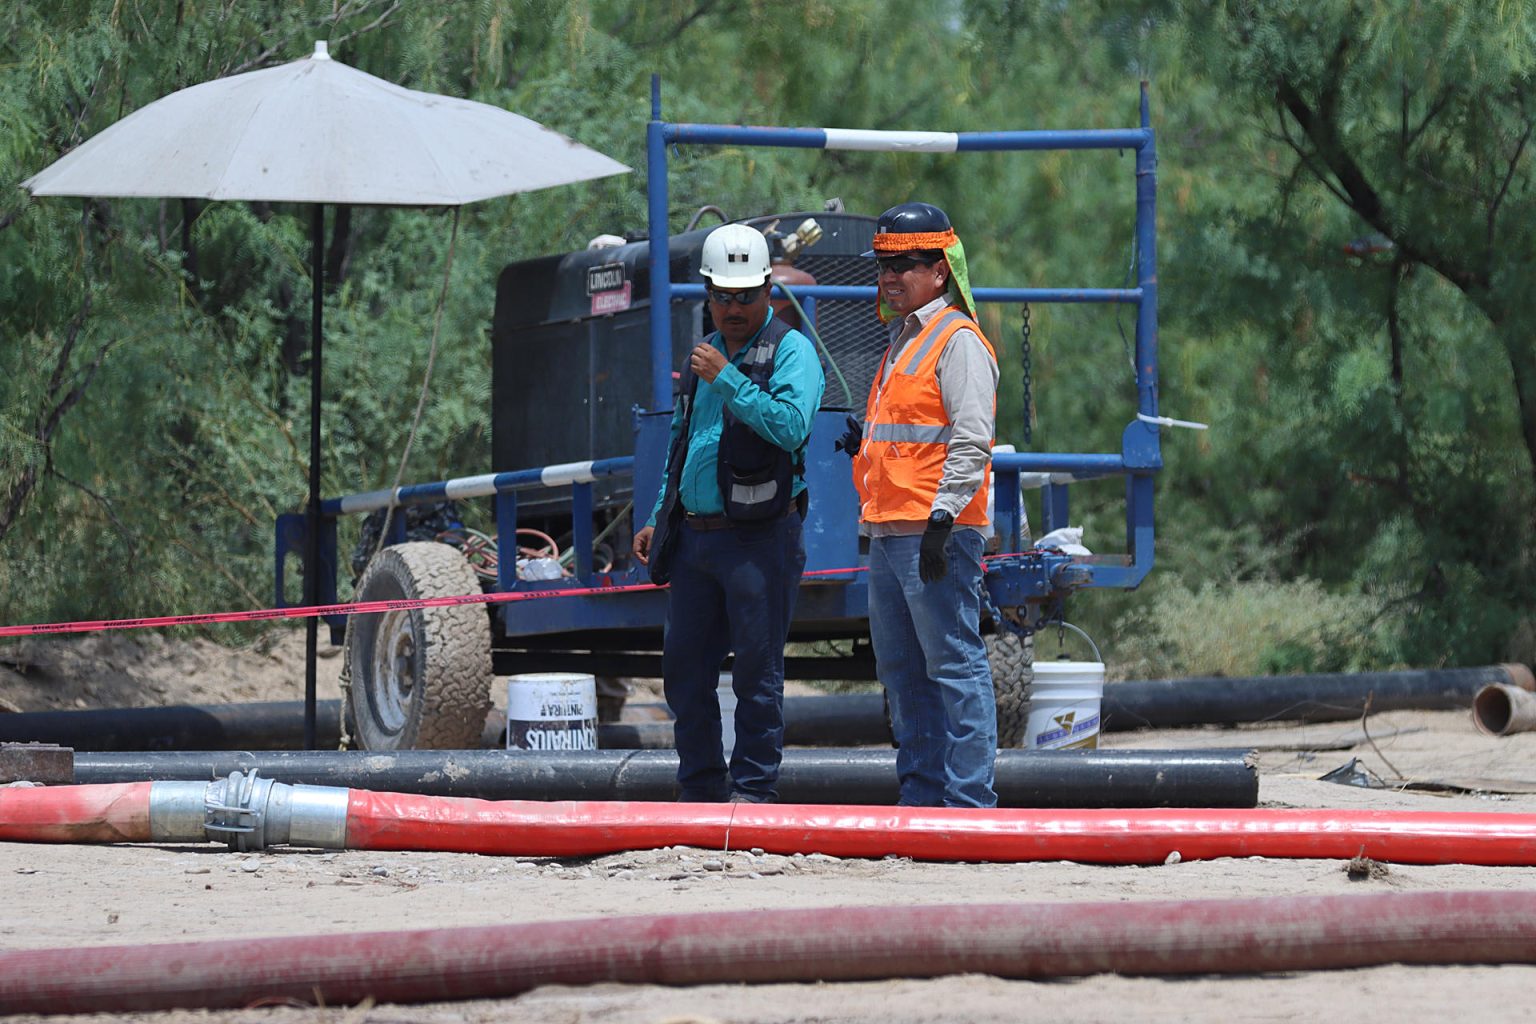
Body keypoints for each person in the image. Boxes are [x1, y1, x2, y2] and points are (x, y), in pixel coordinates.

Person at [633, 223, 825, 803]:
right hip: (696, 542)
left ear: (769, 290)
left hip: (759, 540)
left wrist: (730, 378)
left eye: (746, 296)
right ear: (708, 294)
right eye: (723, 296)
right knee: (686, 674)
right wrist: (659, 515)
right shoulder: (706, 354)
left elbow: (792, 426)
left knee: (756, 678)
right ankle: (699, 792)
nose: (734, 307)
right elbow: (684, 441)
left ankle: (753, 795)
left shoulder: (792, 352)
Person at [842, 201, 1000, 808]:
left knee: (955, 668)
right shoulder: (901, 341)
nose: (890, 274)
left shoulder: (956, 340)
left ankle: (967, 803)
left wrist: (942, 519)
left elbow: (970, 437)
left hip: (935, 535)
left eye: (904, 263)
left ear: (940, 271)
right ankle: (922, 797)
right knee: (904, 677)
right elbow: (909, 432)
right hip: (888, 533)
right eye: (883, 262)